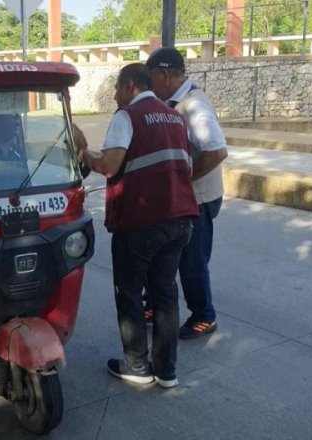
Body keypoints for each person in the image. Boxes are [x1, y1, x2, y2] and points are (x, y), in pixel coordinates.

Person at [73, 63, 198, 388]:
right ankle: (167, 371)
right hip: (180, 219)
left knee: (129, 293)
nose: (115, 96)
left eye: (116, 88)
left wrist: (82, 150)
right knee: (166, 294)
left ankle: (137, 366)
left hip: (142, 223)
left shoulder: (128, 116)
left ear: (129, 85)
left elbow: (110, 166)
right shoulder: (175, 117)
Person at [146, 48, 228, 339]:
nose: (150, 84)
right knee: (161, 252)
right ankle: (156, 303)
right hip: (180, 198)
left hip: (198, 199)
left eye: (152, 78)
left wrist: (185, 181)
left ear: (165, 75)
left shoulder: (193, 105)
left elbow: (216, 151)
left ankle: (204, 316)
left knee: (191, 260)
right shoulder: (170, 101)